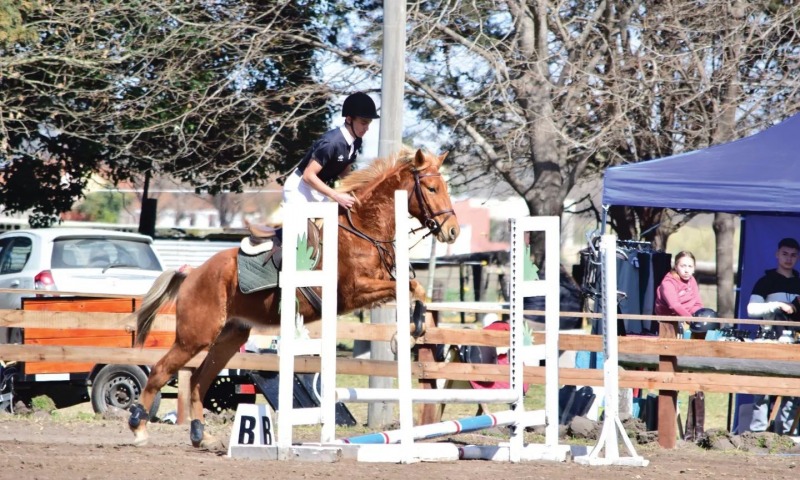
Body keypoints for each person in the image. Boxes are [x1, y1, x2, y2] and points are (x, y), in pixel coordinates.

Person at [282, 92, 380, 209]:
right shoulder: (331, 143)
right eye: (363, 123)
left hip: (318, 188)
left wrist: (358, 189)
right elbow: (308, 175)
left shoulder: (356, 141)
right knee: (305, 227)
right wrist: (336, 195)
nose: (367, 128)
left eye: (368, 123)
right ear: (349, 119)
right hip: (299, 188)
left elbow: (344, 169)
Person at [747, 237, 800, 435]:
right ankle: (757, 433)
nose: (789, 259)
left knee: (793, 390)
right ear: (777, 255)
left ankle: (786, 434)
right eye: (785, 254)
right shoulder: (765, 281)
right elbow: (752, 309)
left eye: (793, 255)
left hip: (794, 343)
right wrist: (777, 305)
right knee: (763, 388)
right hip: (768, 341)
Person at [654, 251, 704, 334]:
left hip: (688, 319)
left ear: (694, 268)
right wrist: (692, 321)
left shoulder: (692, 280)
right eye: (683, 266)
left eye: (690, 266)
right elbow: (674, 305)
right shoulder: (668, 283)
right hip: (667, 323)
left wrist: (701, 317)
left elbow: (697, 304)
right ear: (676, 267)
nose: (686, 270)